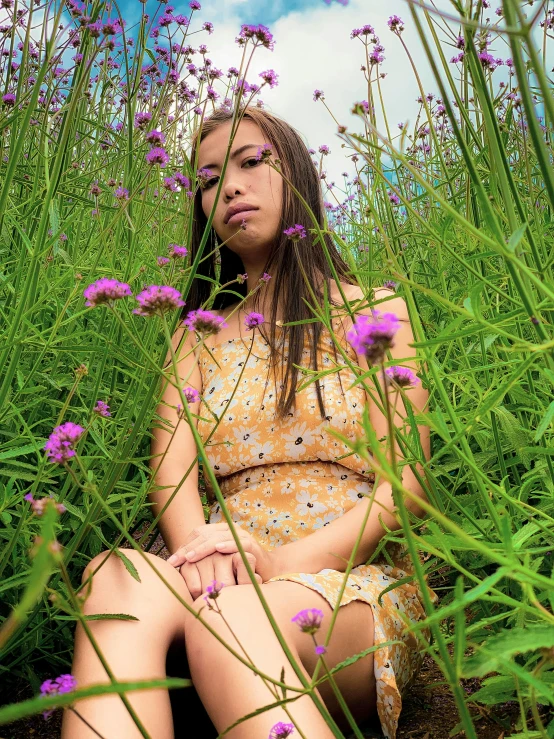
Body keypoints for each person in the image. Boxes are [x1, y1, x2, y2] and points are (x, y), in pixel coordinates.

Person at [62, 106, 437, 739]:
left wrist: (272, 561)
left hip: (340, 582)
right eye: (208, 178)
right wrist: (206, 558)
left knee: (234, 618)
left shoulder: (376, 311)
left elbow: (404, 488)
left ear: (295, 172)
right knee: (114, 578)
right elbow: (173, 476)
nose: (228, 187)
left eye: (250, 162)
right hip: (215, 565)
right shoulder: (196, 335)